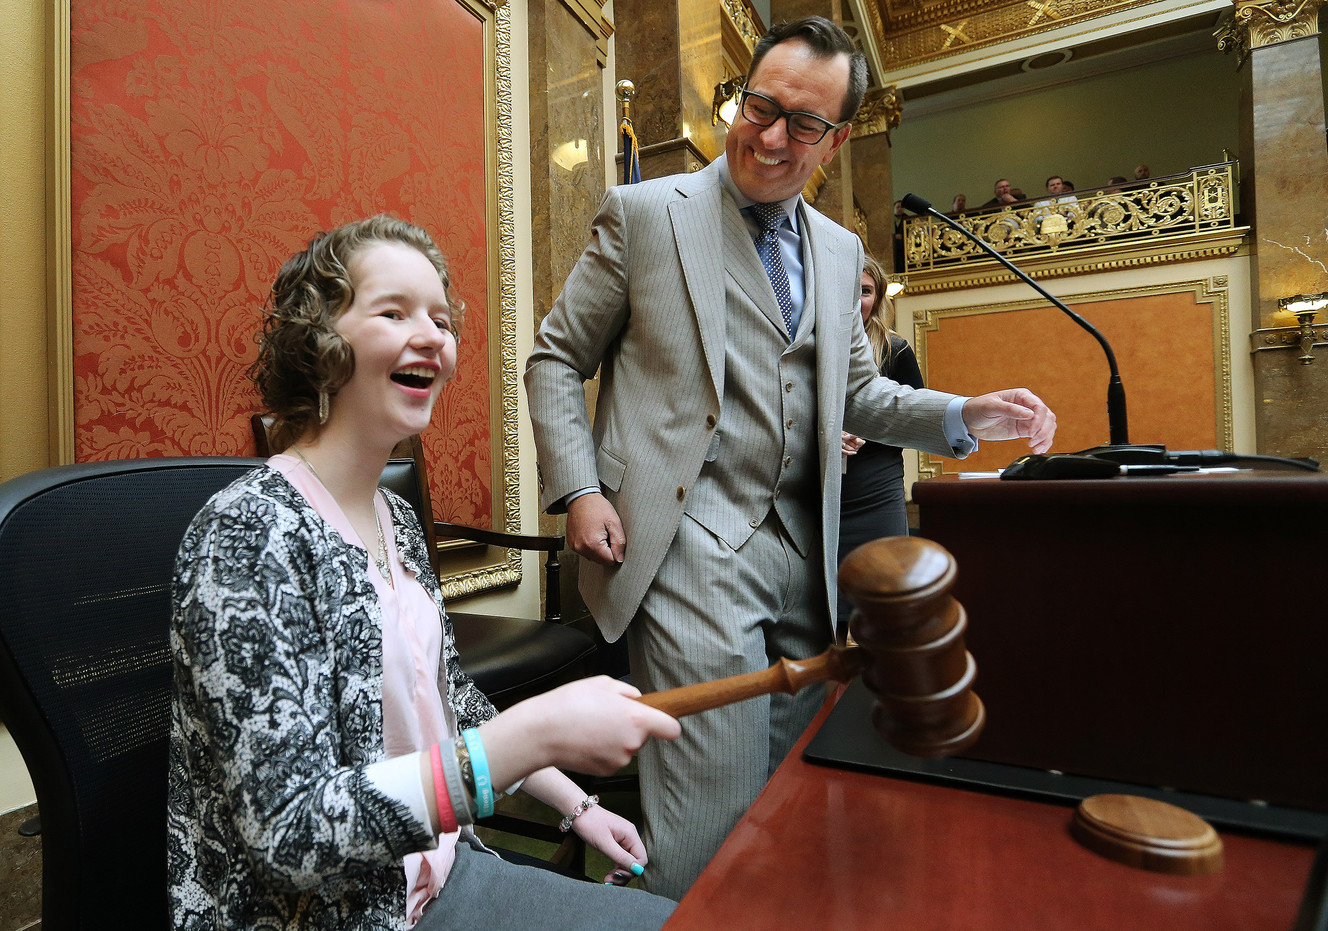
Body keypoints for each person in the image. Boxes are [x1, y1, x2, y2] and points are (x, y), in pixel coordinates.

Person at [524, 15, 1056, 899]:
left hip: (804, 553)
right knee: (710, 800)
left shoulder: (841, 251)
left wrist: (966, 412)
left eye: (801, 124)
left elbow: (859, 397)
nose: (769, 136)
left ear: (837, 139)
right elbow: (555, 358)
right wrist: (579, 488)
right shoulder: (646, 213)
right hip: (687, 537)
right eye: (758, 105)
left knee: (792, 787)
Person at [167, 215, 681, 930]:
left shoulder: (394, 519)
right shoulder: (250, 532)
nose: (434, 336)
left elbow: (452, 701)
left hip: (440, 873)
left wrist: (579, 803)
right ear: (318, 342)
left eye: (442, 319)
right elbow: (290, 833)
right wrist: (530, 735)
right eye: (394, 311)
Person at [837, 255, 923, 634]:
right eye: (850, 290)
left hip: (876, 487)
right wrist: (825, 436)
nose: (858, 300)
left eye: (866, 291)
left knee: (884, 597)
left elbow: (916, 414)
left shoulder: (896, 349)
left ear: (878, 297)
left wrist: (870, 428)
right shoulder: (807, 346)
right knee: (827, 608)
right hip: (821, 492)